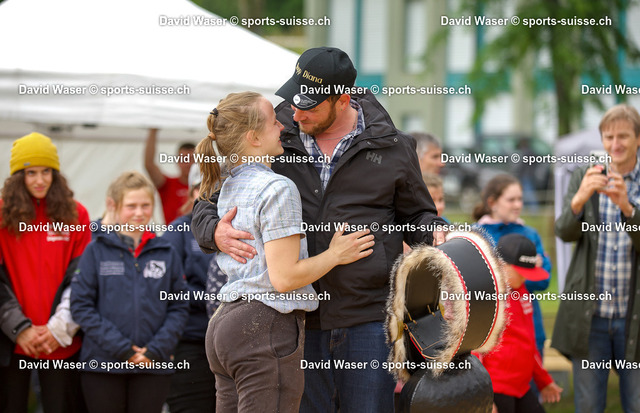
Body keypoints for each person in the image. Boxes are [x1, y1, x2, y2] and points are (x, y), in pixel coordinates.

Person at [192, 47, 446, 413]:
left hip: (366, 318)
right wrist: (214, 232)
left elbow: (418, 215)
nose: (296, 114)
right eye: (294, 99)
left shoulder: (393, 146)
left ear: (342, 100)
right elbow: (207, 203)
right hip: (294, 321)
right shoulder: (271, 130)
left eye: (309, 106)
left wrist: (438, 235)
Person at [196, 91, 374, 412]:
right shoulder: (278, 187)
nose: (283, 125)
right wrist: (335, 255)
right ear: (253, 138)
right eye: (273, 122)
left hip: (225, 323)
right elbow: (284, 278)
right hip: (264, 325)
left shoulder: (229, 182)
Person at [70, 171, 189, 413]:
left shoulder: (166, 252)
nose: (139, 213)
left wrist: (156, 350)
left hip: (153, 365)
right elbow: (81, 306)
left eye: (145, 205)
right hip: (103, 365)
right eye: (131, 206)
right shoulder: (95, 250)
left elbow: (179, 305)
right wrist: (122, 348)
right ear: (115, 207)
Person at [553, 103, 640, 413]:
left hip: (634, 319)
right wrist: (578, 200)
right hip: (592, 318)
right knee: (589, 406)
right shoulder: (585, 175)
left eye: (623, 136)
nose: (615, 144)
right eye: (608, 137)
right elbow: (564, 232)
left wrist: (628, 209)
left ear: (638, 139)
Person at [0, 132, 91, 413]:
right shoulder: (1, 215)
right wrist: (20, 329)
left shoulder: (76, 215)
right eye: (31, 172)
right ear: (19, 176)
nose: (40, 180)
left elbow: (82, 278)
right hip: (10, 341)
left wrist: (58, 328)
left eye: (46, 171)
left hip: (60, 340)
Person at [479, 234, 562, 413]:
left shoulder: (522, 291)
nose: (525, 278)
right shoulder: (488, 297)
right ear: (501, 264)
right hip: (496, 388)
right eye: (520, 272)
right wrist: (482, 396)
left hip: (522, 387)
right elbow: (475, 350)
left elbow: (529, 342)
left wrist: (543, 380)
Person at [473, 173, 551, 358]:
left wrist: (502, 273)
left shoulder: (530, 233)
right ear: (492, 202)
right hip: (490, 331)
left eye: (520, 199)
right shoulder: (475, 234)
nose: (518, 205)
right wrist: (526, 270)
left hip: (529, 327)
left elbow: (543, 280)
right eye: (511, 200)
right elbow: (474, 283)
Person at [162, 164, 216, 412]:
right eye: (204, 189)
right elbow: (167, 289)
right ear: (193, 192)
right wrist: (216, 298)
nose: (213, 196)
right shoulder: (178, 231)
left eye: (219, 188)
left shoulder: (240, 228)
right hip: (192, 342)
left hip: (235, 342)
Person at [144, 127, 195, 224]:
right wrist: (153, 130)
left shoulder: (206, 187)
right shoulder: (167, 184)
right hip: (172, 233)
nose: (188, 163)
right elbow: (149, 165)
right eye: (184, 159)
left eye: (192, 158)